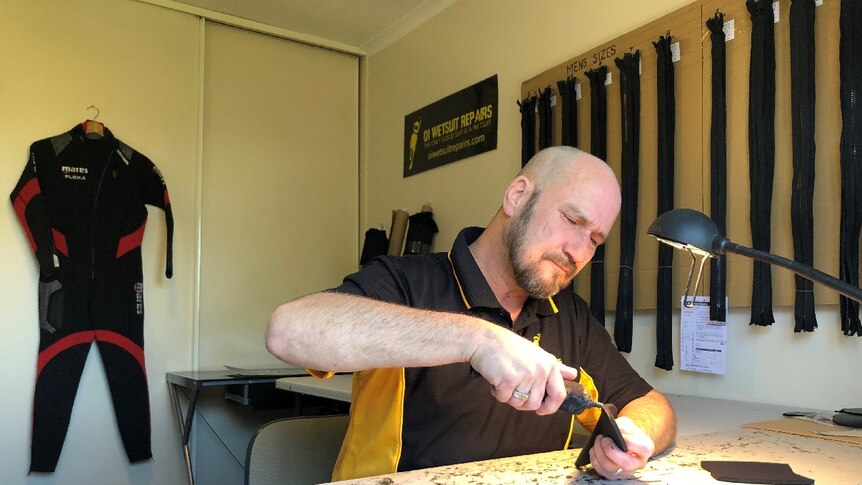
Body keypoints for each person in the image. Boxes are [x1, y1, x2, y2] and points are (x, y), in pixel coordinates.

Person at [266, 146, 677, 481]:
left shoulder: (568, 314)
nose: (578, 252)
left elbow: (651, 402)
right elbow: (288, 332)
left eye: (594, 240)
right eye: (572, 220)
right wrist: (477, 339)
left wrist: (633, 435)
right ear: (517, 196)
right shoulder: (407, 282)